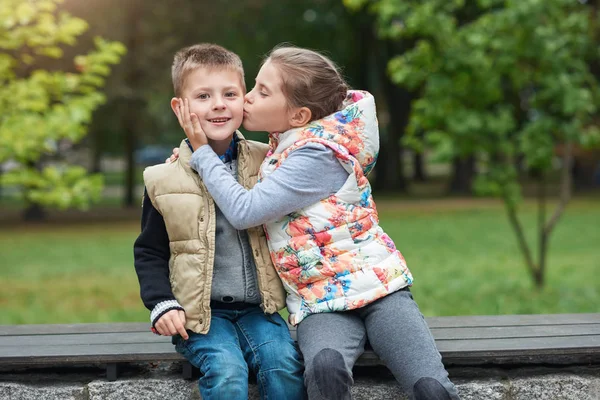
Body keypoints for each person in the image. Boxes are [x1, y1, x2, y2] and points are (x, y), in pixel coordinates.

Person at [173, 44, 461, 400]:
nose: (246, 99)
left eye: (261, 91)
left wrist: (202, 154)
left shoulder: (316, 154)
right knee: (324, 371)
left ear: (299, 115)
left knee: (429, 386)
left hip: (381, 293)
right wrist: (189, 156)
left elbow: (245, 210)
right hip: (320, 302)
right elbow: (239, 162)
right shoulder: (289, 143)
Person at [133, 43, 305, 400]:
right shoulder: (163, 179)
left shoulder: (269, 161)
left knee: (284, 369)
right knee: (227, 373)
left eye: (230, 93)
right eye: (203, 95)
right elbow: (149, 251)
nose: (218, 104)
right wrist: (162, 303)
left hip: (261, 309)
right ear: (180, 107)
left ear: (245, 99)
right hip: (201, 317)